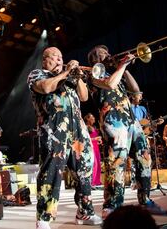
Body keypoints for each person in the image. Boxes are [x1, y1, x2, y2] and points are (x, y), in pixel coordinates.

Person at [87, 45, 167, 219]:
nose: (108, 55)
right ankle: (112, 206)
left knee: (145, 158)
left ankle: (145, 200)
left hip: (132, 122)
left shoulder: (117, 73)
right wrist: (121, 66)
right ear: (95, 60)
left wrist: (125, 67)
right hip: (113, 122)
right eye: (103, 54)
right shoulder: (93, 73)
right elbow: (109, 84)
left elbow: (137, 92)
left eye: (108, 52)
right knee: (116, 163)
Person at [27, 47, 102, 229]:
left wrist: (75, 77)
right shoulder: (37, 74)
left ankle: (85, 212)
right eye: (55, 57)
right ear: (45, 60)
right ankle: (44, 218)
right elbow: (45, 88)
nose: (60, 59)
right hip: (53, 130)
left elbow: (84, 97)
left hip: (78, 131)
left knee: (84, 172)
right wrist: (67, 71)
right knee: (51, 173)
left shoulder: (69, 78)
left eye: (61, 56)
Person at [84, 113, 102, 187]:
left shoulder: (93, 127)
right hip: (91, 148)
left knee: (98, 163)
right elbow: (86, 139)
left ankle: (97, 181)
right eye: (92, 118)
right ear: (88, 119)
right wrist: (95, 139)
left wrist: (98, 141)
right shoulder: (86, 127)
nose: (94, 119)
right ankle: (92, 181)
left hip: (96, 147)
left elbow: (94, 137)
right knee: (94, 164)